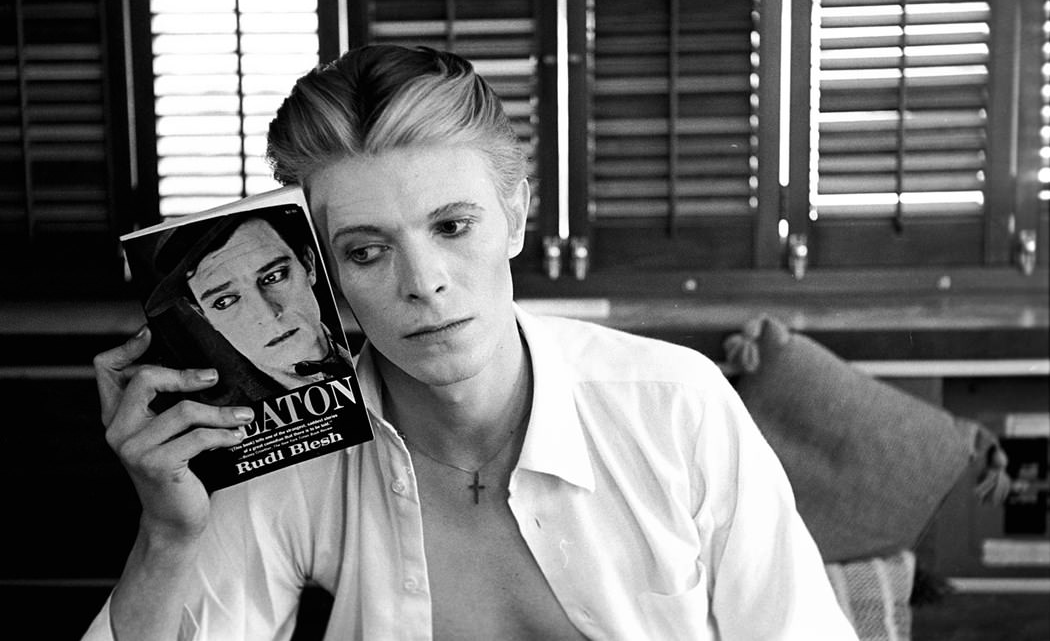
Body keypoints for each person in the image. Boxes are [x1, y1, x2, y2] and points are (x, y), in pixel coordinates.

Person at [86, 44, 859, 640]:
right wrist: (167, 533)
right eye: (366, 250)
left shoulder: (675, 407)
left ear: (515, 218)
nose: (423, 282)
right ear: (323, 270)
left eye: (453, 226)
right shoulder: (299, 451)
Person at [138, 206, 353, 413]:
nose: (267, 315)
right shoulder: (216, 418)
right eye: (224, 301)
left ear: (308, 265)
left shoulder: (369, 349)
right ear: (204, 315)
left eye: (274, 276)